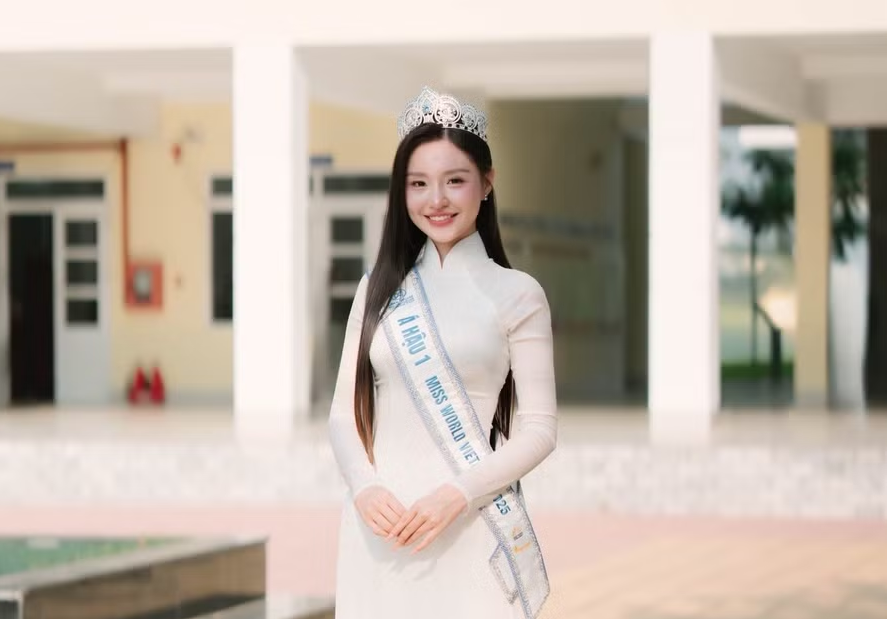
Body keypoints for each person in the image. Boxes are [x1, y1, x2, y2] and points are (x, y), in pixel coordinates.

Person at [328, 86, 557, 619]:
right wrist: (365, 488)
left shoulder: (518, 293)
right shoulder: (377, 289)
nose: (436, 199)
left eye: (455, 180)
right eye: (418, 184)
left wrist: (455, 495)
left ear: (487, 182)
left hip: (468, 522)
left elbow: (540, 429)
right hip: (379, 529)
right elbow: (342, 414)